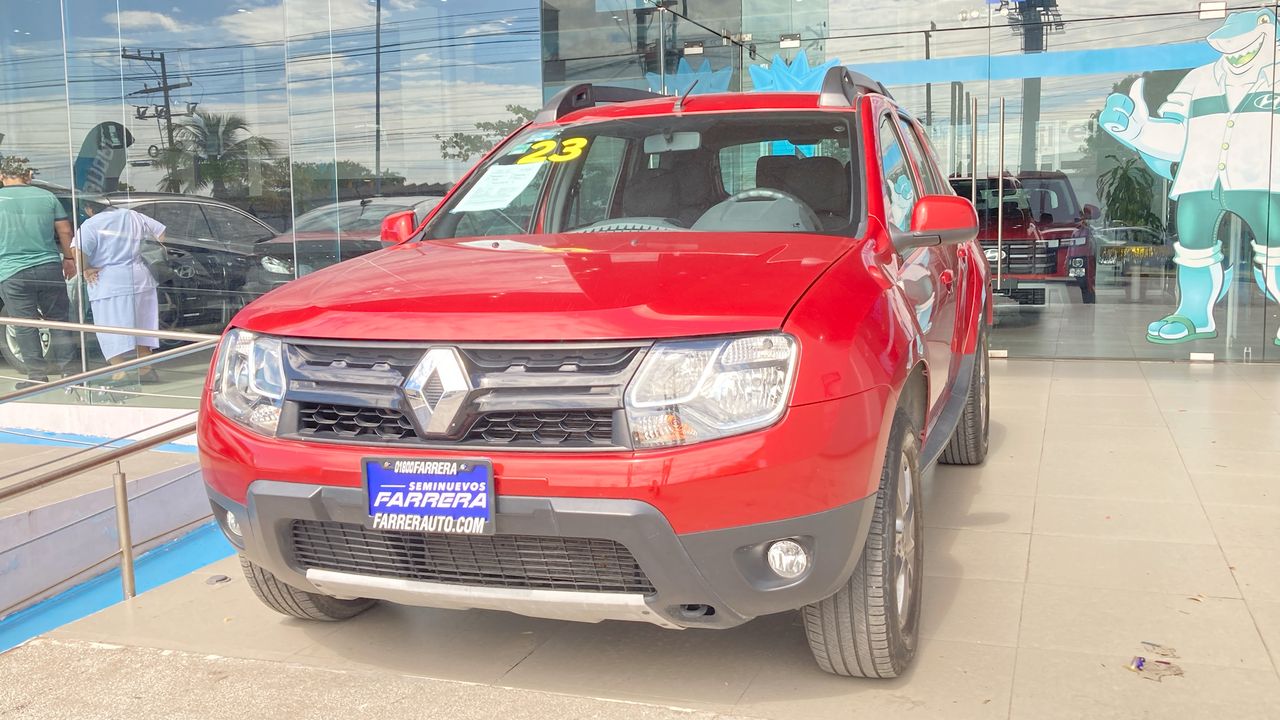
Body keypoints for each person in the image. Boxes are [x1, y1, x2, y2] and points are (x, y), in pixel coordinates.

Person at [0, 155, 76, 389]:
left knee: (24, 324)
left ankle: (36, 376)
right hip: (48, 266)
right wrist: (70, 257)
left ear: (2, 177)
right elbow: (64, 230)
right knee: (60, 321)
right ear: (28, 175)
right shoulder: (47, 197)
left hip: (12, 271)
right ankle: (69, 372)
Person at [73, 200, 164, 385]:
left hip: (109, 280)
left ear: (89, 209)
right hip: (141, 277)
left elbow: (78, 250)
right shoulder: (133, 216)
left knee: (110, 328)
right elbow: (161, 233)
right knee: (142, 326)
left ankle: (120, 372)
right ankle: (146, 369)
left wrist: (86, 268)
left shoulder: (91, 224)